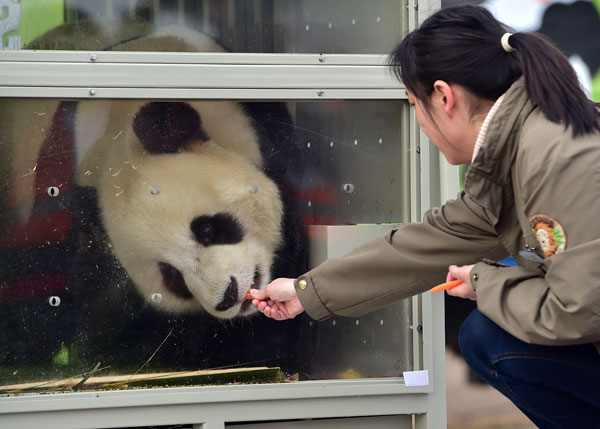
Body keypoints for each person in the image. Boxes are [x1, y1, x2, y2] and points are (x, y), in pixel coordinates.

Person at [251, 5, 600, 428]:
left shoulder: (557, 157)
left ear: (443, 96)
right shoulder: (521, 145)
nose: (417, 122)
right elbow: (432, 242)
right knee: (485, 336)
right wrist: (307, 290)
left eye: (414, 104)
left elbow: (578, 309)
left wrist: (482, 281)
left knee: (488, 338)